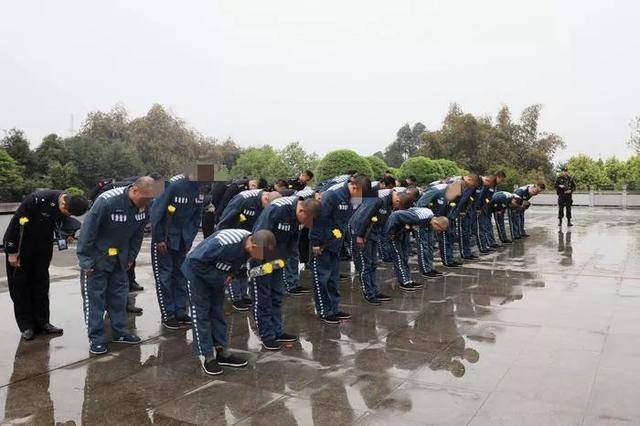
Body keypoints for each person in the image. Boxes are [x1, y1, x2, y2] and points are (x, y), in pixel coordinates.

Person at [181, 229, 276, 375]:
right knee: (202, 315)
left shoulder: (251, 242)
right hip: (197, 275)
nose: (259, 259)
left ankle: (222, 352)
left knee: (217, 313)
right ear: (253, 247)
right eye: (260, 255)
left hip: (217, 274)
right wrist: (220, 278)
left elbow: (235, 264)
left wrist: (233, 274)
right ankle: (207, 356)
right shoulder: (223, 244)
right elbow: (194, 262)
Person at [77, 177, 155, 354]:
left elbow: (138, 233)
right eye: (144, 199)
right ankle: (96, 338)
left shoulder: (145, 206)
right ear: (134, 191)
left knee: (119, 297)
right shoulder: (106, 201)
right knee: (94, 300)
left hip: (120, 258)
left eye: (149, 200)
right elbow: (87, 232)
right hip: (97, 258)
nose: (146, 203)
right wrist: (85, 260)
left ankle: (120, 332)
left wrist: (131, 256)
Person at [3, 190, 88, 340]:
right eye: (66, 212)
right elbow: (15, 225)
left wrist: (67, 234)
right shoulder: (37, 200)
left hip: (42, 248)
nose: (67, 215)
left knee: (41, 285)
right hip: (22, 248)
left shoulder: (67, 205)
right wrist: (11, 251)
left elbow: (61, 223)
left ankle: (43, 322)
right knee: (21, 287)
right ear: (63, 202)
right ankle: (26, 326)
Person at [251, 196, 321, 349]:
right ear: (301, 210)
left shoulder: (298, 217)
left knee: (277, 295)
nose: (308, 224)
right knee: (263, 297)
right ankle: (267, 335)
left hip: (277, 260)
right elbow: (259, 236)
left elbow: (292, 241)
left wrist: (283, 259)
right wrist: (258, 266)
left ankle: (277, 331)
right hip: (261, 259)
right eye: (307, 220)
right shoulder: (277, 209)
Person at [309, 173, 370, 324]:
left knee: (333, 278)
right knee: (321, 278)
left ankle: (334, 308)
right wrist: (316, 242)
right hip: (321, 243)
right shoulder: (332, 196)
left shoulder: (354, 197)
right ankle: (324, 311)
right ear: (354, 186)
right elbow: (318, 220)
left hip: (335, 243)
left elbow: (346, 220)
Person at [150, 173, 205, 330]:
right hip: (165, 239)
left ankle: (181, 310)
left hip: (182, 239)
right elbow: (156, 212)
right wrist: (159, 238)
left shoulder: (201, 189)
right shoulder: (170, 185)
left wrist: (189, 239)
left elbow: (196, 216)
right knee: (164, 277)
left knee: (181, 275)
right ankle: (168, 314)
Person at [216, 188, 281, 310]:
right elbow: (225, 221)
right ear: (266, 198)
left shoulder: (267, 203)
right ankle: (236, 297)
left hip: (250, 237)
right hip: (234, 237)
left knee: (245, 266)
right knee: (234, 266)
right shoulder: (243, 199)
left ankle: (244, 294)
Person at [349, 188, 411, 304]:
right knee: (365, 264)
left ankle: (374, 291)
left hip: (373, 233)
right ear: (397, 200)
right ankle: (369, 293)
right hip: (362, 233)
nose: (396, 208)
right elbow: (363, 218)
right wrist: (360, 235)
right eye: (398, 207)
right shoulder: (378, 200)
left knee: (373, 263)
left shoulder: (389, 203)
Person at [384, 207, 449, 291]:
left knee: (404, 256)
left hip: (402, 231)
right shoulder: (420, 218)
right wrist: (391, 232)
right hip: (394, 233)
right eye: (439, 230)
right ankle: (404, 282)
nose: (438, 232)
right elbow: (396, 215)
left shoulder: (428, 217)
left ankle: (407, 279)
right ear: (436, 223)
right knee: (399, 257)